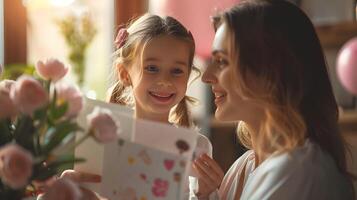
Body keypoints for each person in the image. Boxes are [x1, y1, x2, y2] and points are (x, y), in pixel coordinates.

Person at [194, 0, 355, 199]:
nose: (206, 76)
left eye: (222, 61)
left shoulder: (299, 171)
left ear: (270, 72)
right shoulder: (244, 167)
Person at [57, 14, 221, 200]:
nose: (165, 81)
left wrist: (205, 193)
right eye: (152, 68)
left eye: (177, 71)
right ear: (125, 73)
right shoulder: (100, 137)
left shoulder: (196, 148)